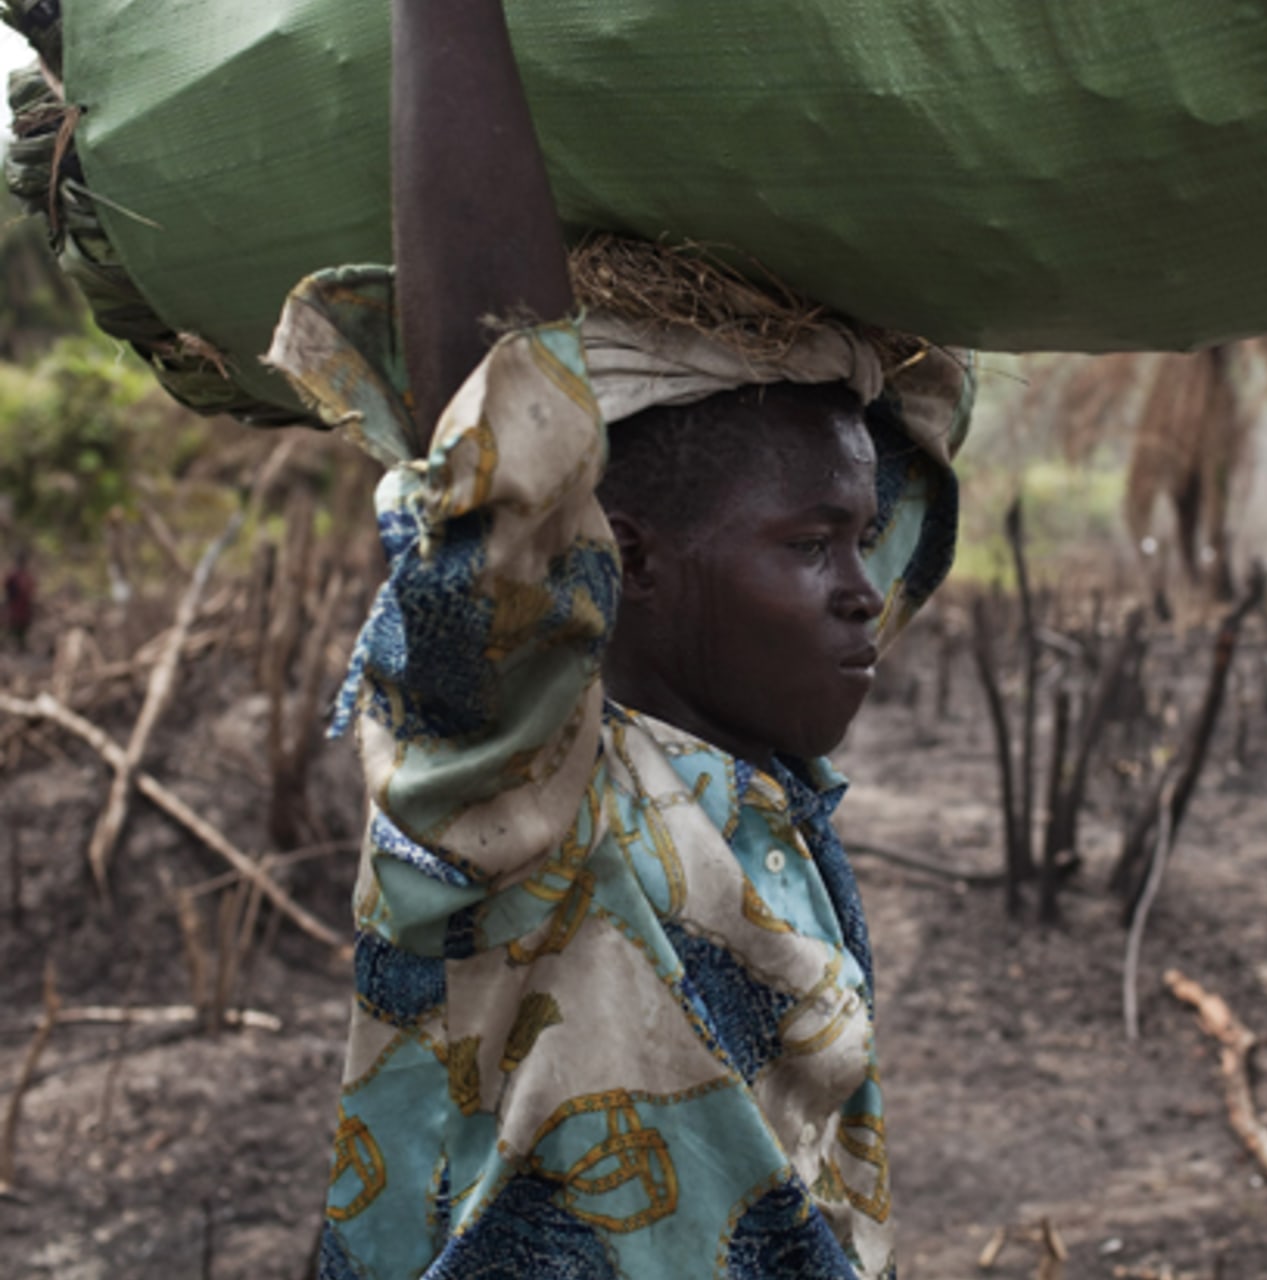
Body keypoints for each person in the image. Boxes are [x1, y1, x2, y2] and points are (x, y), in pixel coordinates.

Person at [271, 4, 967, 1276]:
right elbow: (506, 458)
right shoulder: (530, 791)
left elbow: (907, 481)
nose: (864, 589)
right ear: (623, 557)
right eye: (811, 544)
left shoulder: (767, 784)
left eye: (861, 540)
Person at [4, 548, 33, 651]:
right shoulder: (14, 575)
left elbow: (30, 591)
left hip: (22, 606)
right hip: (15, 605)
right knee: (14, 627)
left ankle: (20, 647)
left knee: (22, 628)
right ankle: (12, 647)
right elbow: (7, 588)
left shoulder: (25, 576)